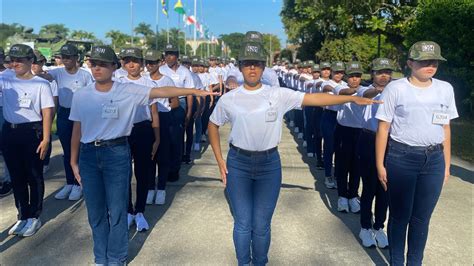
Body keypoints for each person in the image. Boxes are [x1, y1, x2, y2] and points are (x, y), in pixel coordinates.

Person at [208, 40, 379, 266]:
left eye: (257, 64)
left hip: (269, 165)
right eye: (247, 64)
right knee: (242, 223)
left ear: (263, 67)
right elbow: (213, 124)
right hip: (238, 164)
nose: (252, 68)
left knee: (260, 224)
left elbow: (315, 98)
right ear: (240, 67)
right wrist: (220, 161)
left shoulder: (277, 94)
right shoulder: (229, 99)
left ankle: (260, 262)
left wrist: (349, 97)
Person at [69, 45, 213, 265]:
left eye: (103, 64)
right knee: (96, 212)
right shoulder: (82, 95)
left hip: (116, 152)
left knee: (117, 210)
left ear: (113, 67)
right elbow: (77, 128)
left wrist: (193, 91)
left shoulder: (126, 90)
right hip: (89, 155)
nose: (97, 68)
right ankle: (100, 257)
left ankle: (116, 257)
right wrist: (73, 159)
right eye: (94, 64)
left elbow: (161, 92)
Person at [375, 41, 458, 265]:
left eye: (434, 62)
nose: (430, 65)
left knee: (422, 218)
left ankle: (414, 262)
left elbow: (446, 128)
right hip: (401, 159)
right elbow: (383, 128)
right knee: (400, 217)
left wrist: (447, 166)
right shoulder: (397, 88)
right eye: (424, 61)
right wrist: (380, 165)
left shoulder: (445, 89)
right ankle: (396, 261)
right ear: (410, 63)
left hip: (434, 161)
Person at [1, 44, 54, 237]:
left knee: (34, 176)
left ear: (31, 61)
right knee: (17, 177)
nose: (15, 63)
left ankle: (34, 216)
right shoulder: (5, 79)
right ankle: (22, 215)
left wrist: (47, 138)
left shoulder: (40, 84)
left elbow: (47, 111)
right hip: (10, 131)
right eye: (12, 59)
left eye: (20, 60)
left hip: (32, 132)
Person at [115, 47, 161, 231]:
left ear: (141, 63)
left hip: (143, 130)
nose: (131, 64)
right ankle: (128, 210)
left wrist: (157, 138)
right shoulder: (117, 83)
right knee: (124, 172)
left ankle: (140, 211)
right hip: (123, 131)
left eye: (134, 60)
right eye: (127, 61)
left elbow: (154, 112)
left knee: (142, 172)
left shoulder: (149, 83)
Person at [49, 44, 94, 201]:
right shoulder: (57, 72)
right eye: (63, 57)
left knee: (79, 150)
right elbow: (40, 75)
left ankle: (78, 183)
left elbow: (92, 94)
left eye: (69, 57)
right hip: (64, 114)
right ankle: (69, 182)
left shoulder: (85, 75)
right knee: (67, 150)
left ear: (76, 58)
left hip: (81, 115)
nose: (66, 60)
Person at [357, 58, 394, 248]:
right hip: (369, 140)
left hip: (390, 143)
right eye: (380, 72)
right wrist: (381, 91)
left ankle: (379, 226)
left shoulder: (396, 92)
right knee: (369, 187)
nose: (384, 76)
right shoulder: (364, 90)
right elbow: (368, 93)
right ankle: (365, 227)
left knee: (385, 189)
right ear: (372, 74)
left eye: (387, 72)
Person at [143, 49, 175, 205]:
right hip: (148, 118)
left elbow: (174, 101)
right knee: (149, 155)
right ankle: (150, 187)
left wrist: (166, 110)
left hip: (163, 117)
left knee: (163, 154)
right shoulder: (143, 79)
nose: (150, 65)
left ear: (160, 63)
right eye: (147, 62)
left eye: (153, 62)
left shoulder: (167, 80)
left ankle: (161, 188)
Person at [159, 43, 195, 180]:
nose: (168, 57)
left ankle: (175, 168)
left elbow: (190, 92)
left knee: (177, 137)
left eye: (171, 54)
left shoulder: (184, 71)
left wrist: (189, 111)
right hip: (164, 103)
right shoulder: (161, 70)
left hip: (180, 102)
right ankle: (165, 167)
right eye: (166, 54)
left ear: (177, 56)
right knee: (165, 137)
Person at [333, 61, 365, 213]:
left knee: (356, 166)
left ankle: (353, 195)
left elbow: (366, 93)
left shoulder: (365, 89)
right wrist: (355, 92)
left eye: (357, 76)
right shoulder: (340, 87)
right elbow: (344, 93)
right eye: (351, 76)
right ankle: (342, 196)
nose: (354, 79)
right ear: (347, 77)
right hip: (343, 130)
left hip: (359, 132)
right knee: (342, 165)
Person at [31, 50, 59, 174]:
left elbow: (54, 101)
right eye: (30, 62)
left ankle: (45, 162)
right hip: (30, 117)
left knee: (45, 137)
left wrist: (50, 117)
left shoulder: (49, 79)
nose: (33, 65)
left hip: (44, 115)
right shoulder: (21, 77)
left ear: (42, 62)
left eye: (36, 62)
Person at [320, 61, 347, 189]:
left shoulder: (345, 85)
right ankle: (327, 175)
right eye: (336, 72)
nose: (338, 74)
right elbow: (326, 88)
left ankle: (337, 175)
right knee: (329, 147)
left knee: (339, 148)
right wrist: (336, 89)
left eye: (341, 72)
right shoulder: (328, 83)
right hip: (329, 116)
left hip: (341, 117)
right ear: (332, 72)